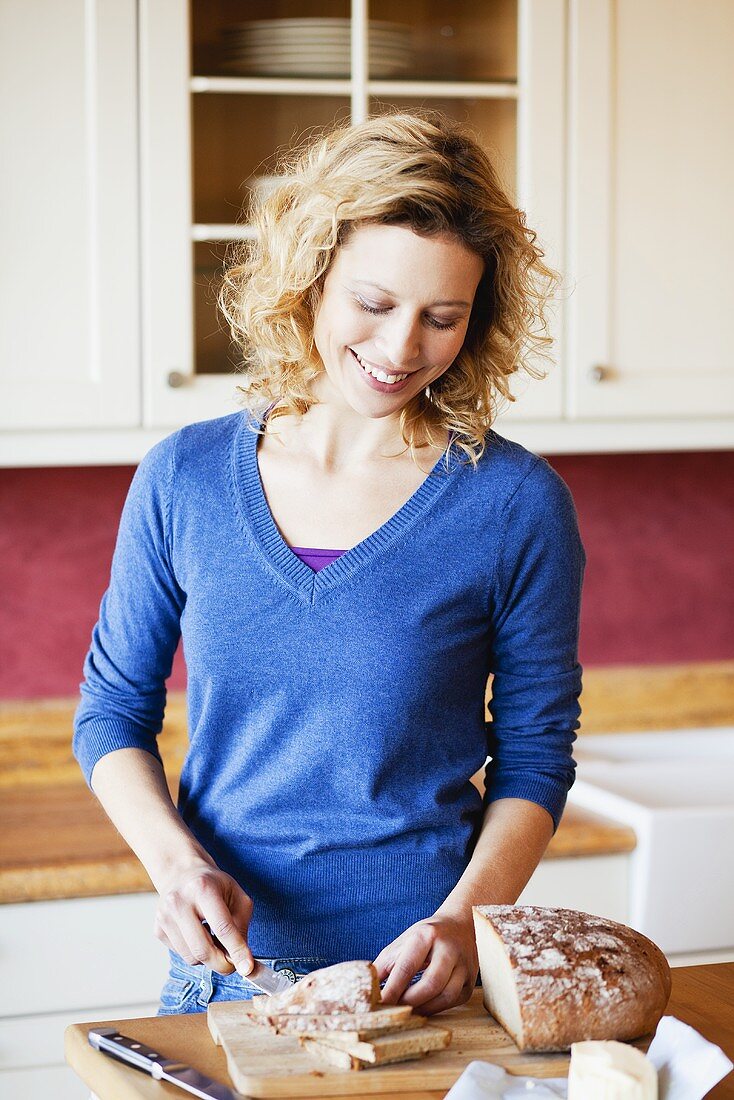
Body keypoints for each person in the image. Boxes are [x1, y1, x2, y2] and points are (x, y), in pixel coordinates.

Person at [73, 110, 585, 1018]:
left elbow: (537, 752)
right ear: (310, 277)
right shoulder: (183, 479)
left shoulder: (513, 504)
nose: (400, 350)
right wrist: (178, 866)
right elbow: (113, 712)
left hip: (419, 983)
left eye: (442, 318)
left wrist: (466, 923)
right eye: (375, 304)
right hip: (225, 978)